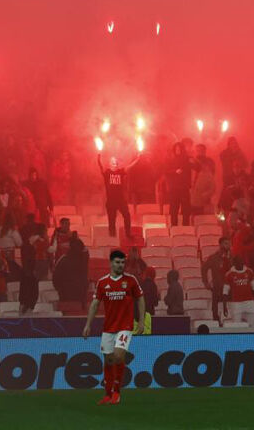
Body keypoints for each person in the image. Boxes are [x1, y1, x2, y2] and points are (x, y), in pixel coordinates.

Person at [82, 249, 144, 406]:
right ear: (111, 263)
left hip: (125, 326)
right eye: (117, 262)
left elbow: (140, 299)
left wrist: (141, 321)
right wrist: (88, 324)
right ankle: (107, 394)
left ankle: (117, 392)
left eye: (123, 262)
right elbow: (95, 304)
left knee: (118, 356)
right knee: (108, 360)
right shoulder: (102, 282)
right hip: (108, 328)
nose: (120, 265)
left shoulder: (131, 280)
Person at [97, 154, 139, 239]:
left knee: (127, 215)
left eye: (115, 161)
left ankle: (128, 234)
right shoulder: (107, 172)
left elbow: (129, 167)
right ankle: (112, 236)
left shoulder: (121, 172)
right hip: (111, 201)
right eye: (112, 161)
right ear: (110, 164)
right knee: (111, 220)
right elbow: (101, 166)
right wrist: (99, 158)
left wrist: (138, 158)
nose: (114, 162)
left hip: (120, 200)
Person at [222, 256, 254, 326]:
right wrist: (224, 307)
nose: (240, 263)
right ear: (234, 263)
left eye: (241, 262)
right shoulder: (229, 274)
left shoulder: (249, 271)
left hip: (250, 302)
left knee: (253, 325)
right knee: (237, 326)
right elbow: (225, 292)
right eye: (238, 262)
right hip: (236, 304)